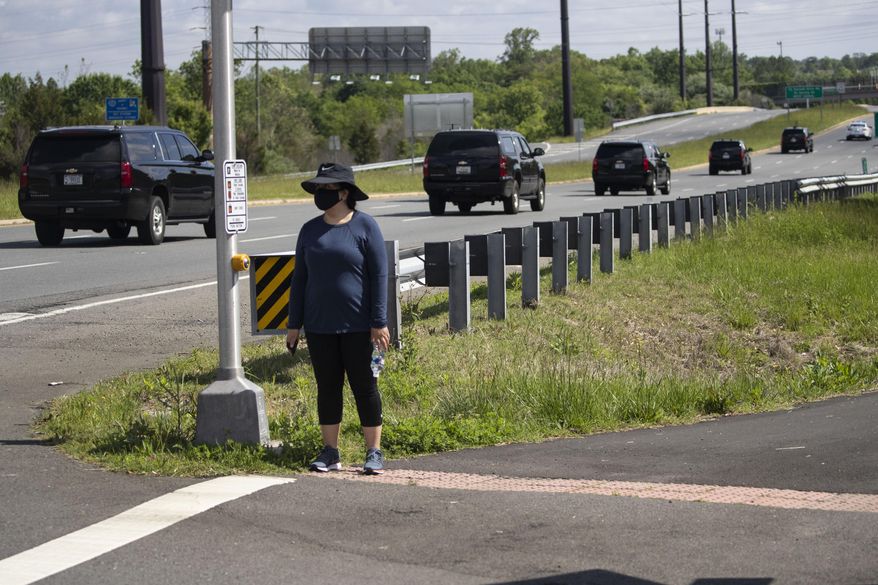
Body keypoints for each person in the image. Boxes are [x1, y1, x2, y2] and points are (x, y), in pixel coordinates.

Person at [286, 162, 390, 475]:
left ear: (344, 193)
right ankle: (331, 452)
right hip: (320, 326)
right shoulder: (310, 230)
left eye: (326, 189)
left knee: (365, 388)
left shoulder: (365, 226)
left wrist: (379, 321)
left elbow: (379, 274)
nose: (320, 194)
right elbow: (299, 279)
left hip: (359, 326)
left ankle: (373, 452)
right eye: (318, 189)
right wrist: (294, 324)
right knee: (327, 388)